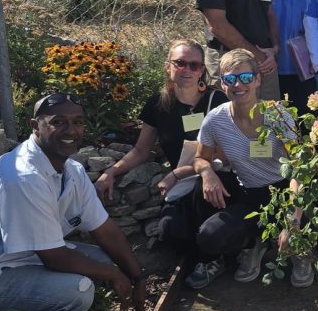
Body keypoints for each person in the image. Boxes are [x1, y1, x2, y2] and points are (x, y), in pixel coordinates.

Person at [0, 93, 148, 311]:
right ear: (35, 126)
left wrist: (137, 276)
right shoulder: (22, 177)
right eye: (58, 122)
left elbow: (106, 231)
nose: (71, 130)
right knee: (78, 293)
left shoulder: (71, 170)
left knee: (104, 261)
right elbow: (54, 258)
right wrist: (115, 274)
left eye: (77, 122)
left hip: (13, 259)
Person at [188, 49, 312, 289]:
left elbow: (299, 168)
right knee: (209, 236)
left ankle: (301, 250)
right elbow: (200, 158)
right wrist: (206, 173)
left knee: (304, 223)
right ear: (222, 83)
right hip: (250, 194)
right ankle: (253, 243)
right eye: (230, 79)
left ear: (257, 80)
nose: (238, 85)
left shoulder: (278, 115)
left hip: (287, 190)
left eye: (245, 78)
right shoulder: (214, 120)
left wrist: (293, 219)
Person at [94, 40, 228, 255]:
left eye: (194, 65)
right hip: (182, 182)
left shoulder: (218, 100)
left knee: (204, 224)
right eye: (180, 63)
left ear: (202, 70)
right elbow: (141, 150)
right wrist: (111, 171)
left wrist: (177, 173)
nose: (187, 70)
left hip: (215, 175)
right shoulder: (159, 104)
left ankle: (211, 259)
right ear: (168, 66)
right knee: (169, 230)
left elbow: (226, 153)